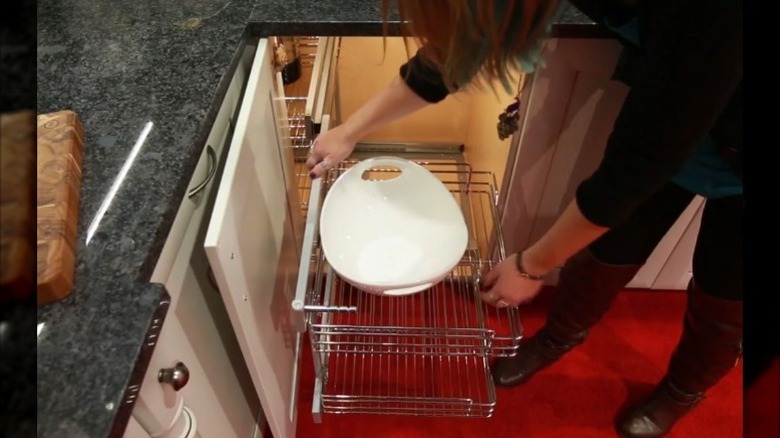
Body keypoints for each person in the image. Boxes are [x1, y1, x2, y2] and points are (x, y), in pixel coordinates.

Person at [306, 0, 743, 436]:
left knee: (727, 287)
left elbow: (632, 172)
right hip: (679, 112)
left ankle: (682, 391)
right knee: (610, 247)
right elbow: (462, 49)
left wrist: (529, 266)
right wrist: (350, 131)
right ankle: (558, 339)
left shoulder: (710, 13)